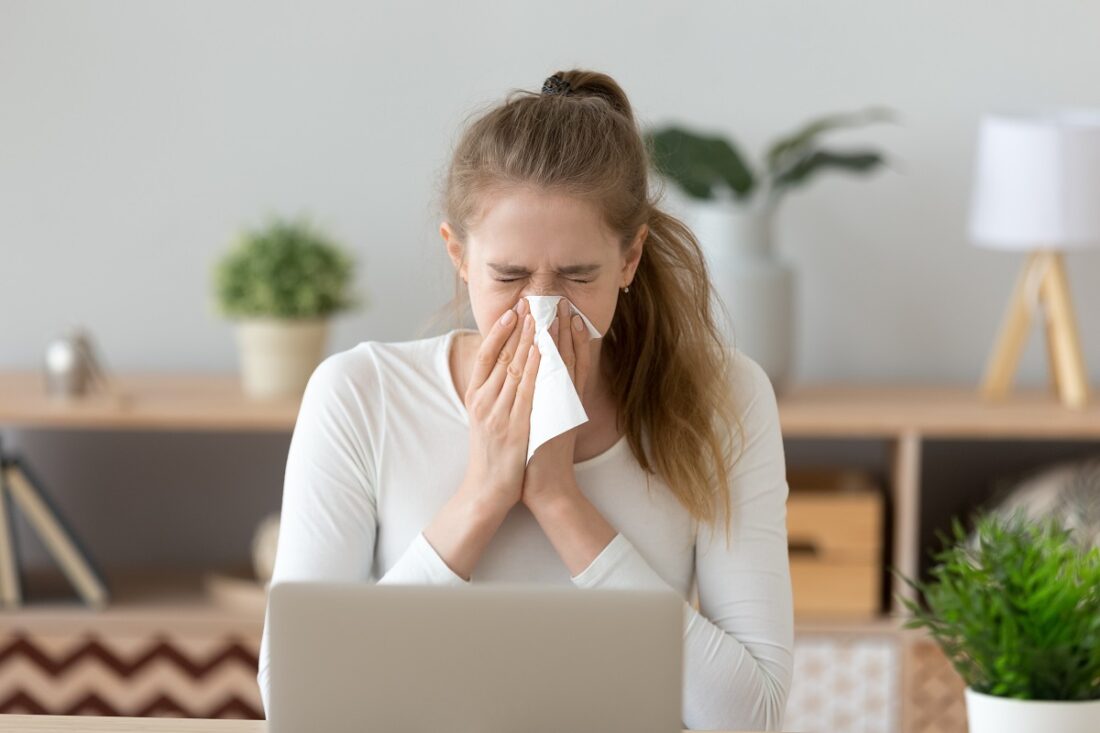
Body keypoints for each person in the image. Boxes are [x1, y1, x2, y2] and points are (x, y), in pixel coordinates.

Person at [257, 69, 794, 731]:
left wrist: (561, 501)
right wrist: (482, 495)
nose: (541, 305)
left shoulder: (723, 397)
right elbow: (298, 702)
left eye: (578, 275)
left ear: (630, 259)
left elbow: (754, 714)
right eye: (508, 275)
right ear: (458, 253)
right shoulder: (361, 396)